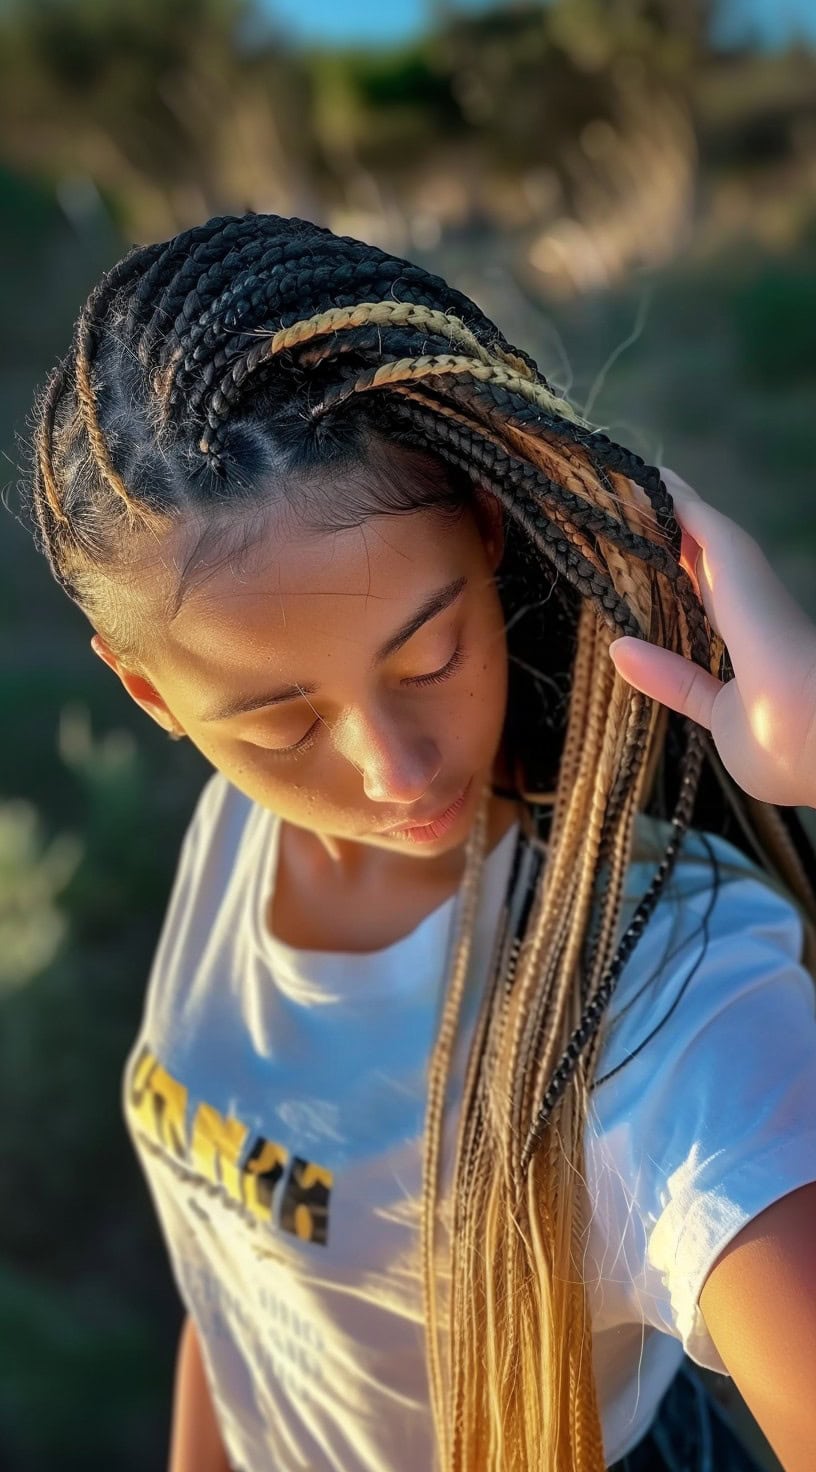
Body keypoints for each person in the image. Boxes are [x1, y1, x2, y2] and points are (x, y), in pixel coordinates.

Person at [22, 211, 816, 1472]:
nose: (392, 769)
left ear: (487, 533)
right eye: (282, 722)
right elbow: (240, 1280)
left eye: (430, 652)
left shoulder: (666, 988)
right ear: (155, 698)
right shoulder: (244, 825)